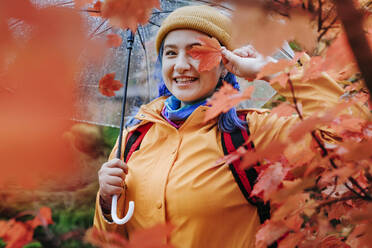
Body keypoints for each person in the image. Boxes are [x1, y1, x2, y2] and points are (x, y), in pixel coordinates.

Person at [93, 5, 362, 247]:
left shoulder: (254, 133)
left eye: (197, 52)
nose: (181, 65)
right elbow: (110, 240)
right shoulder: (134, 137)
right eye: (171, 53)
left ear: (224, 65)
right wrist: (106, 202)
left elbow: (351, 133)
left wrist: (272, 71)